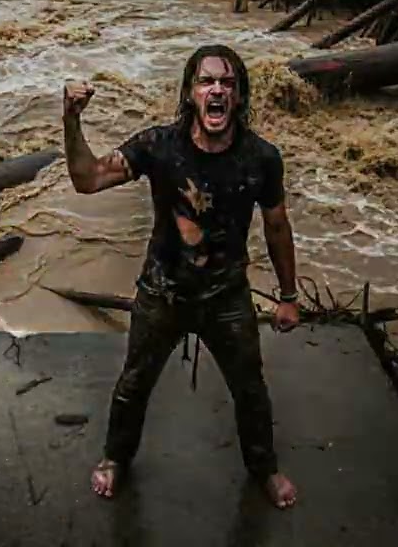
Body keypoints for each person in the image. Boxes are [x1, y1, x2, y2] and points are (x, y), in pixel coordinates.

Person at [61, 44, 301, 510]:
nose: (217, 89)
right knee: (133, 384)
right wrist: (72, 120)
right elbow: (87, 179)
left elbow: (276, 225)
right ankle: (115, 458)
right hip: (162, 291)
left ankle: (265, 469)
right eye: (206, 81)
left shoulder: (261, 158)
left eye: (227, 83)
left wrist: (288, 295)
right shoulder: (159, 146)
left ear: (239, 96)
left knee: (251, 388)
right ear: (191, 93)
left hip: (227, 295)